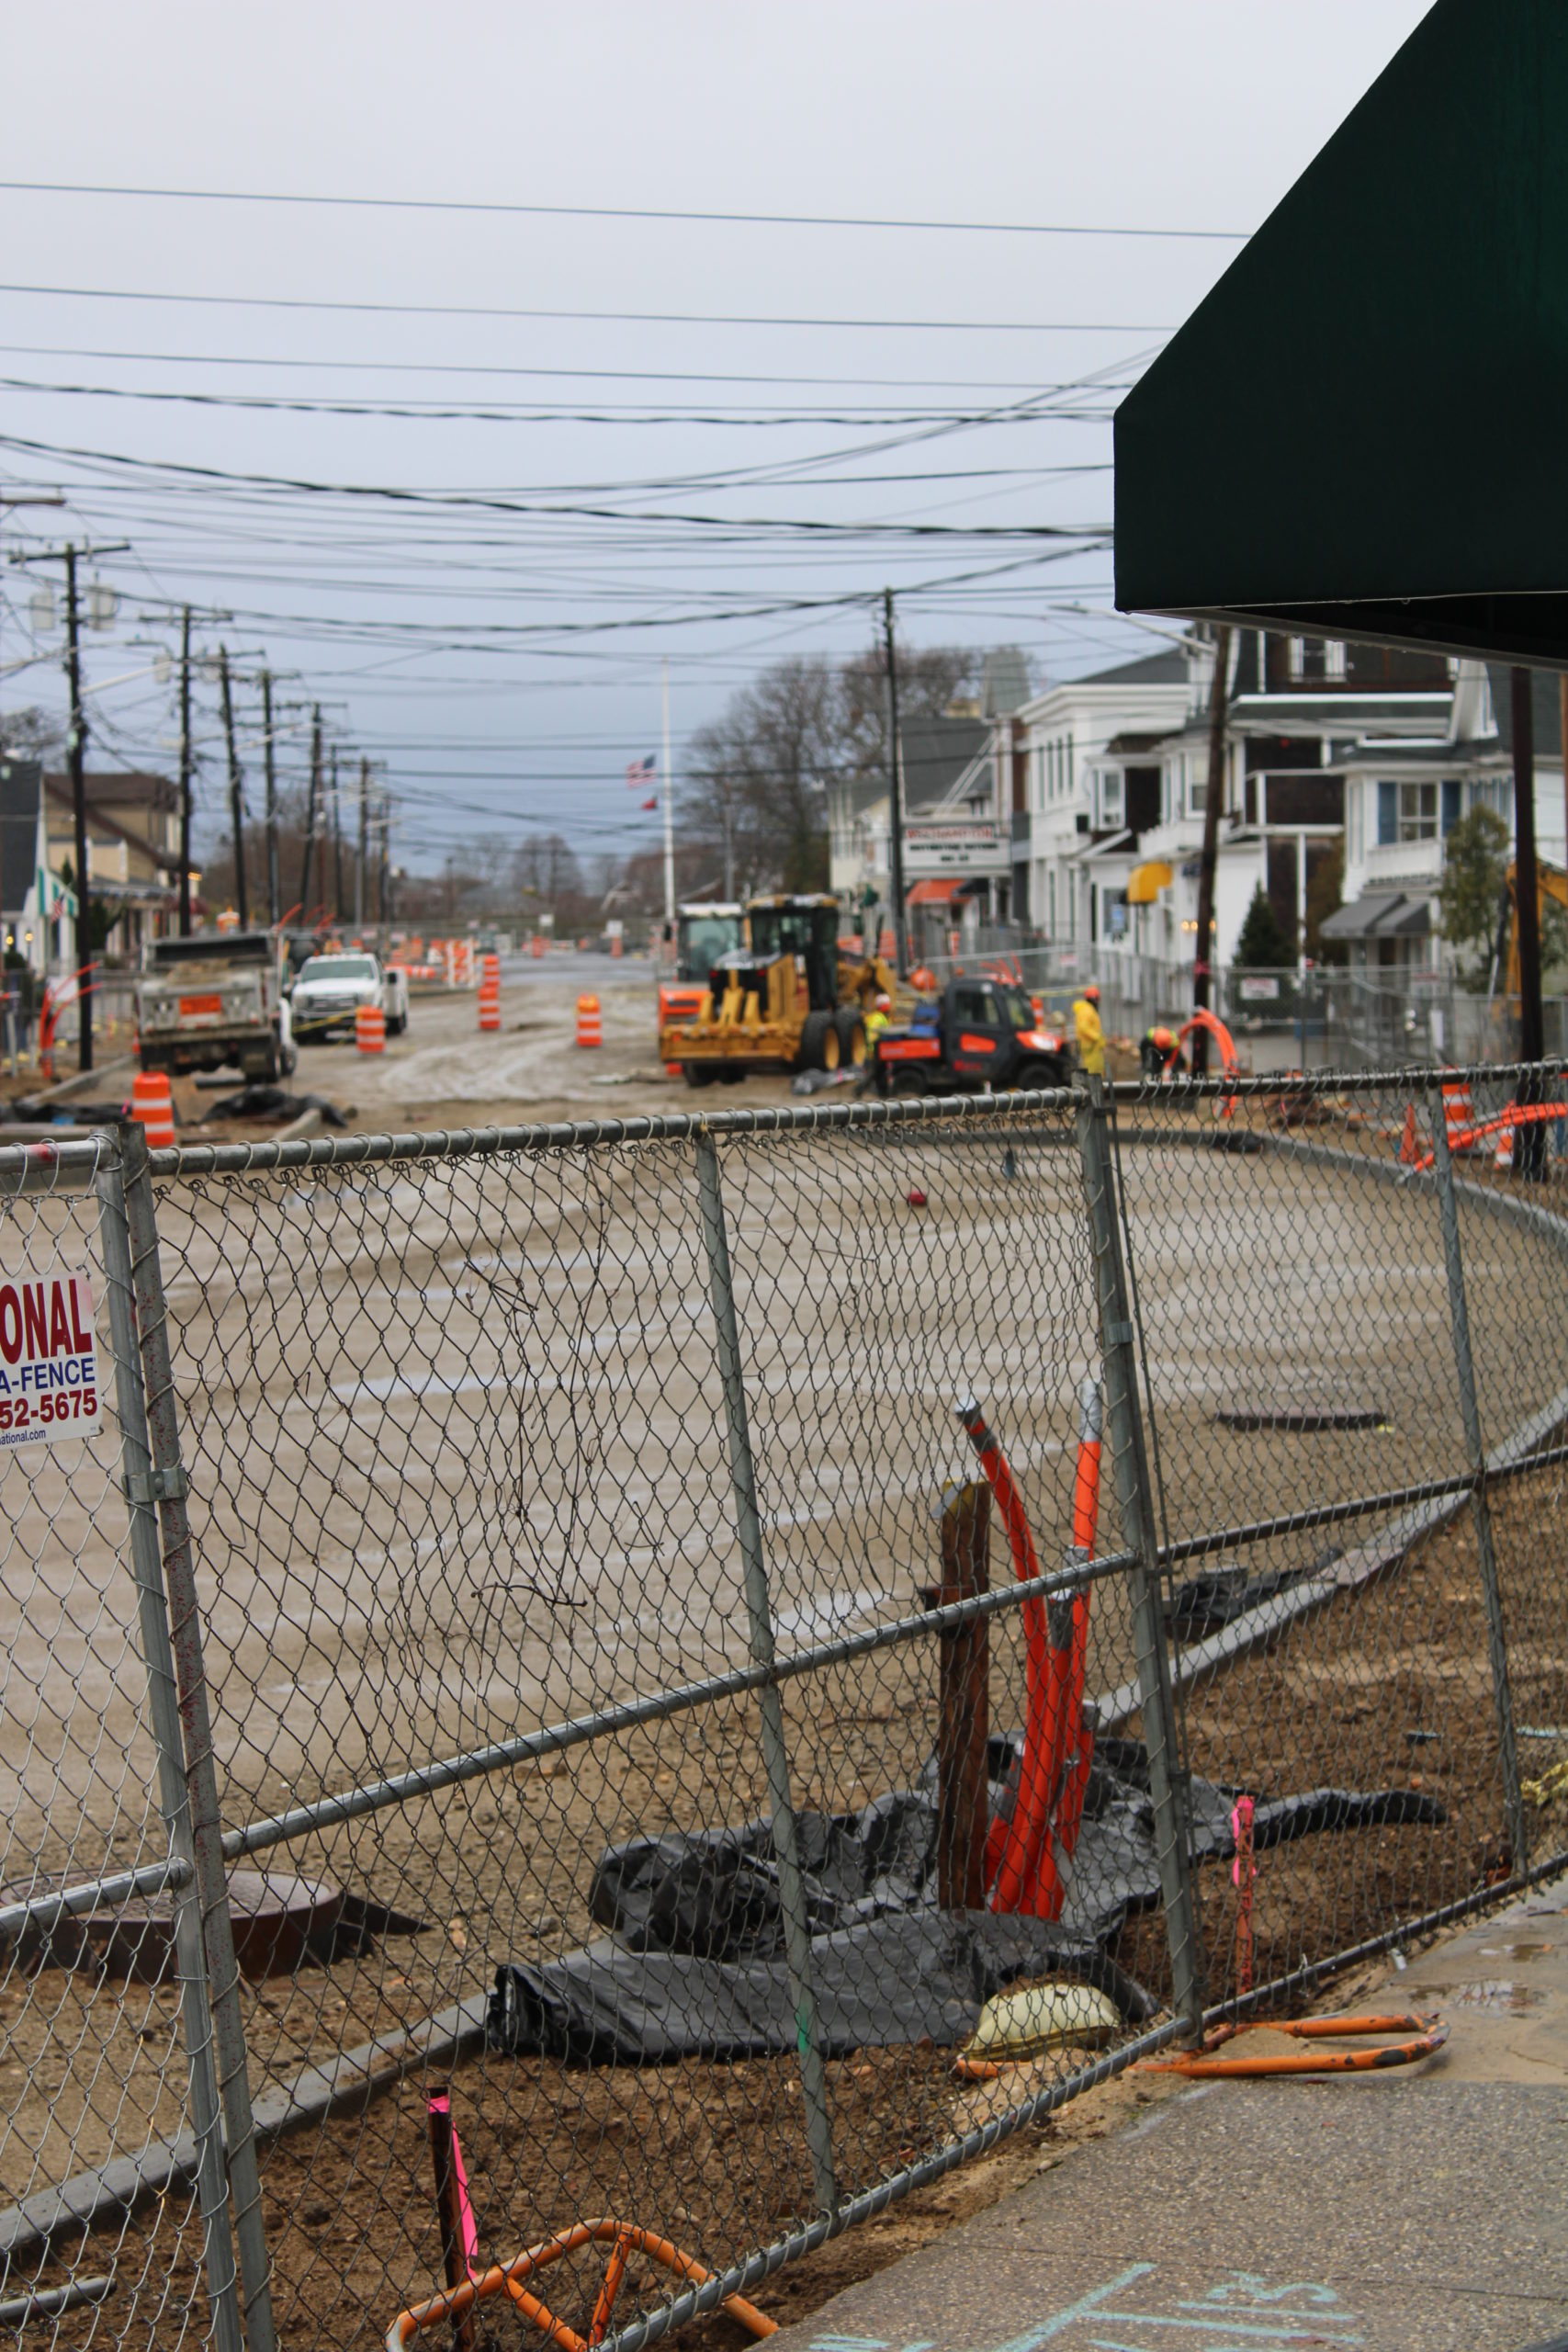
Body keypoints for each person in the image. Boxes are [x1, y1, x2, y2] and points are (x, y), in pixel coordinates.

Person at [1072, 981, 1106, 1078]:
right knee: (1093, 1072)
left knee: (1096, 1071)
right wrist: (1097, 1037)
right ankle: (1093, 1090)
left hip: (1093, 1047)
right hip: (1090, 1047)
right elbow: (1084, 1027)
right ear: (1094, 999)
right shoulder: (1087, 1011)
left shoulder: (1088, 1010)